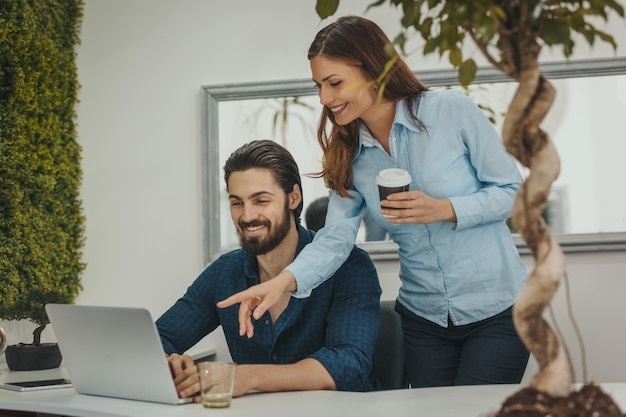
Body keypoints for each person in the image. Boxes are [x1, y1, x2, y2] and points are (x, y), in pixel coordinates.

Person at [218, 16, 530, 389]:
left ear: (375, 70)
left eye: (334, 83)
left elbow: (515, 192)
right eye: (319, 85)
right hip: (424, 319)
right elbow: (334, 239)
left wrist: (445, 209)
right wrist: (283, 282)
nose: (324, 99)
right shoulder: (347, 152)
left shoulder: (450, 111)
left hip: (498, 309)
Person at [156, 139, 382, 402]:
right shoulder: (223, 273)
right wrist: (169, 362)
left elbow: (349, 364)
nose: (247, 215)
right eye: (237, 203)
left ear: (293, 198)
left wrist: (247, 377)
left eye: (261, 200)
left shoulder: (350, 266)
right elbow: (159, 337)